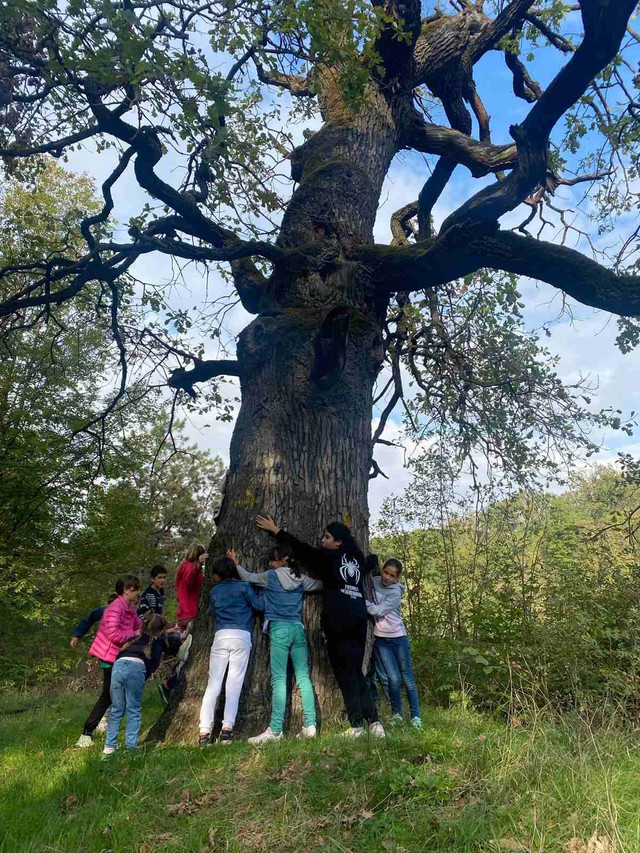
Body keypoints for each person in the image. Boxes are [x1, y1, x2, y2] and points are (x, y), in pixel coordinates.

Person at [256, 514, 385, 739]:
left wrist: (277, 531)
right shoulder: (355, 559)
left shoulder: (328, 558)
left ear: (338, 542)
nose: (322, 540)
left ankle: (356, 726)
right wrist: (374, 559)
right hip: (358, 619)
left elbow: (301, 549)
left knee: (345, 674)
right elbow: (368, 563)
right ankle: (375, 723)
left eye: (327, 537)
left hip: (339, 621)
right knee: (356, 671)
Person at [231, 544, 321, 743]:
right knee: (303, 677)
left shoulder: (269, 577)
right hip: (298, 629)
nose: (270, 564)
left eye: (272, 560)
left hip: (279, 630)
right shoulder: (301, 579)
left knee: (279, 679)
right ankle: (310, 725)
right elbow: (320, 584)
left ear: (281, 560)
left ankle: (276, 730)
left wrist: (235, 563)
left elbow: (247, 577)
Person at [198, 555, 264, 747]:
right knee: (234, 685)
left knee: (214, 684)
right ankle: (227, 729)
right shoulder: (244, 587)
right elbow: (259, 605)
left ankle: (204, 730)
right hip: (241, 636)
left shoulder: (214, 591)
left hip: (221, 635)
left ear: (219, 575)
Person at [75, 576, 141, 748]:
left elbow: (137, 626)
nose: (138, 592)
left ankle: (108, 736)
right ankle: (87, 733)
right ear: (125, 591)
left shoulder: (129, 609)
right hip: (110, 656)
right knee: (108, 695)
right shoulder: (114, 608)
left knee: (115, 696)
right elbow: (113, 633)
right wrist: (132, 637)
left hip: (121, 655)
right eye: (134, 589)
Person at [102, 612, 167, 758]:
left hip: (118, 667)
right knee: (133, 709)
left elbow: (119, 655)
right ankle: (131, 747)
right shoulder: (155, 641)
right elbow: (153, 664)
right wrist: (143, 676)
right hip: (136, 667)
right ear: (160, 629)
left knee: (117, 709)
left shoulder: (132, 639)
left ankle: (108, 748)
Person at [366, 557, 421, 728]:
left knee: (407, 677)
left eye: (392, 576)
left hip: (398, 638)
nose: (387, 578)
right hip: (381, 639)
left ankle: (415, 716)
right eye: (386, 572)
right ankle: (397, 714)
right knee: (393, 678)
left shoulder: (396, 593)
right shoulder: (374, 582)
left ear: (397, 578)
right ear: (381, 569)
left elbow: (378, 610)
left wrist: (360, 602)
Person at [175, 544, 208, 629]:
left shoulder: (181, 568)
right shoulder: (190, 568)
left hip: (182, 613)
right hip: (191, 614)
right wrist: (198, 566)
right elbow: (190, 578)